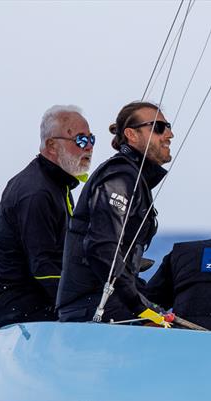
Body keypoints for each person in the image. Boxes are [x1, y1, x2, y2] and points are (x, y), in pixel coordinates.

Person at [57, 101, 173, 323]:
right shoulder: (120, 177)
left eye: (168, 126)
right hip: (92, 306)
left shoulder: (134, 178)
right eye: (159, 127)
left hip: (111, 300)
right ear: (132, 134)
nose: (169, 134)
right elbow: (102, 246)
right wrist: (139, 306)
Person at [0, 105, 94, 328]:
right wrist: (84, 305)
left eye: (92, 139)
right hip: (19, 305)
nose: (89, 148)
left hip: (39, 296)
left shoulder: (57, 183)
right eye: (81, 140)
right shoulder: (37, 192)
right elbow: (44, 268)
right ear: (52, 145)